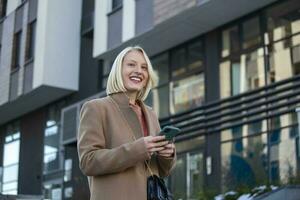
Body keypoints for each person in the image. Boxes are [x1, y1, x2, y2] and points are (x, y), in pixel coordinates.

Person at [77, 46, 176, 200]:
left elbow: (162, 171)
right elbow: (88, 162)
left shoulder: (150, 113)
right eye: (131, 64)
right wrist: (138, 149)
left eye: (144, 67)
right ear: (118, 70)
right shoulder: (96, 108)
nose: (139, 71)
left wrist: (166, 154)